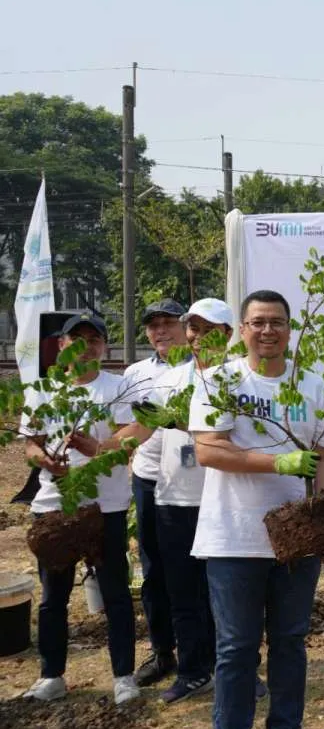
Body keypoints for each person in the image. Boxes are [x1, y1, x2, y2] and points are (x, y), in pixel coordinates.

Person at [190, 290, 324, 729]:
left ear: (289, 328)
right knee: (236, 647)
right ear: (242, 329)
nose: (267, 331)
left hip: (297, 540)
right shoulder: (221, 380)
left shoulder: (313, 385)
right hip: (234, 537)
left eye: (276, 322)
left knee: (291, 641)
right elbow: (210, 449)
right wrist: (277, 461)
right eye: (258, 322)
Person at [76, 299, 237, 704]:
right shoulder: (169, 382)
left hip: (225, 498)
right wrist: (99, 447)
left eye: (209, 330)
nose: (200, 338)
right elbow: (139, 429)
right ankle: (193, 670)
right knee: (182, 590)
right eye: (195, 329)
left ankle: (233, 669)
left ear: (229, 335)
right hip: (175, 498)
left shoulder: (240, 381)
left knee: (226, 592)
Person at [21, 313, 140, 705]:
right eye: (77, 338)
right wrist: (46, 460)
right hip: (53, 506)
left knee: (115, 593)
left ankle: (123, 675)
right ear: (61, 345)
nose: (86, 345)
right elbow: (31, 443)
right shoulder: (42, 391)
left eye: (94, 338)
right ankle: (51, 674)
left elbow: (128, 439)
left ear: (104, 346)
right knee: (53, 596)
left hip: (106, 505)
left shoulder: (119, 387)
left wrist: (97, 448)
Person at [123, 298, 189, 688]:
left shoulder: (202, 369)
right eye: (153, 325)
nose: (160, 331)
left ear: (185, 327)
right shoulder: (135, 373)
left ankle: (204, 652)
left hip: (191, 483)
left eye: (168, 323)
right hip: (149, 479)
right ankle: (162, 651)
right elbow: (127, 425)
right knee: (153, 569)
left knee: (195, 571)